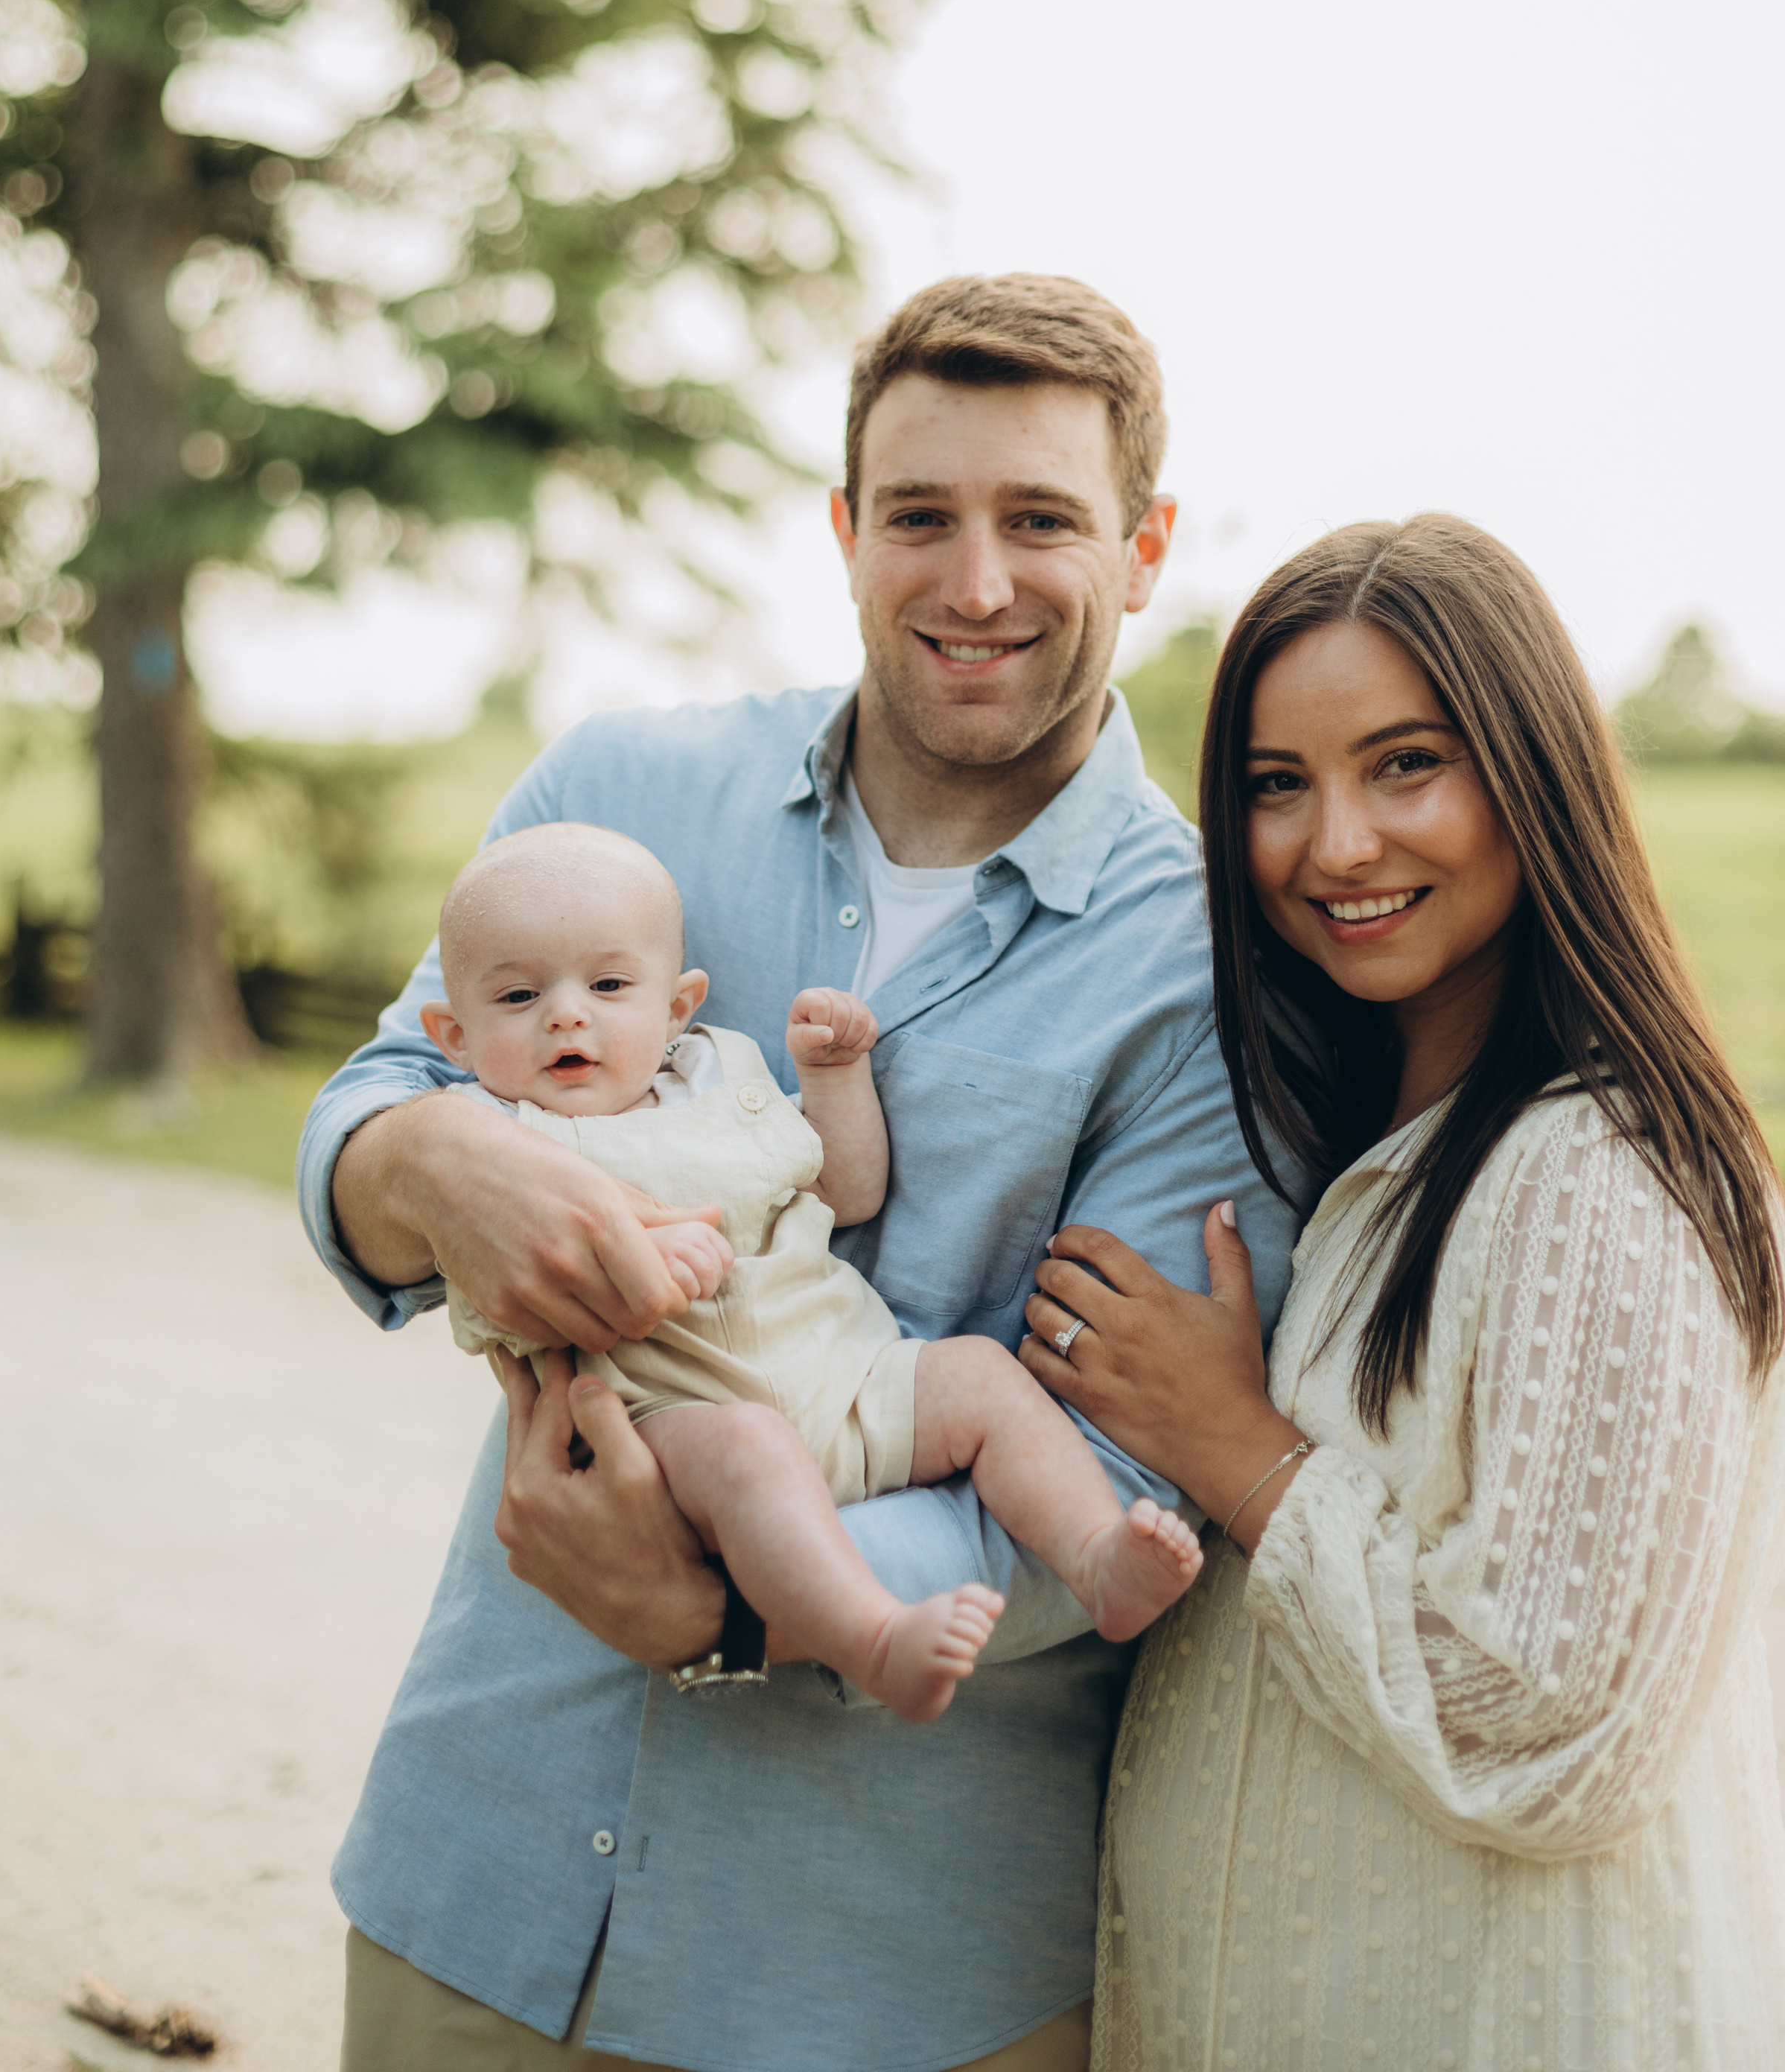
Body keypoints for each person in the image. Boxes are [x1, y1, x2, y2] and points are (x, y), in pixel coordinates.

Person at [296, 273, 1299, 2072]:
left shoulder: (1218, 971)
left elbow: (1130, 1475)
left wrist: (731, 1601)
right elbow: (371, 1104)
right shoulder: (619, 788)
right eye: (918, 513)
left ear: (1143, 547)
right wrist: (441, 1156)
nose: (973, 579)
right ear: (844, 532)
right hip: (484, 1878)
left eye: (1040, 519)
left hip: (886, 1971)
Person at [1019, 514, 1785, 2072]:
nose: (1334, 847)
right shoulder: (1375, 1150)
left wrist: (1231, 1448)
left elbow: (1554, 1731)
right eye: (1273, 786)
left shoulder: (1602, 1172)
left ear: (1532, 778)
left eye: (1404, 765)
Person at [424, 821, 1203, 1723]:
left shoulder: (724, 1081)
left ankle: (1096, 1555)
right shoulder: (497, 1142)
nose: (567, 1014)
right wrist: (633, 1259)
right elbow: (502, 1309)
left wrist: (832, 1080)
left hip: (855, 1383)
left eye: (607, 986)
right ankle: (875, 1637)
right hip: (679, 1426)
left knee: (981, 1378)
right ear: (454, 1034)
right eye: (520, 996)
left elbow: (847, 1188)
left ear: (677, 1008)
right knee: (752, 1451)